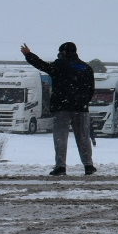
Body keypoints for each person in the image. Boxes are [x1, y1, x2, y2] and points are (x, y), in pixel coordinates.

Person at [20, 41, 96, 175]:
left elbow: (42, 65)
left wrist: (28, 55)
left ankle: (60, 166)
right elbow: (91, 89)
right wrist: (83, 102)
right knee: (83, 137)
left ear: (64, 52)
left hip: (62, 107)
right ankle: (88, 165)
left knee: (61, 137)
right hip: (81, 108)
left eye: (59, 52)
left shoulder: (59, 65)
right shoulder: (86, 68)